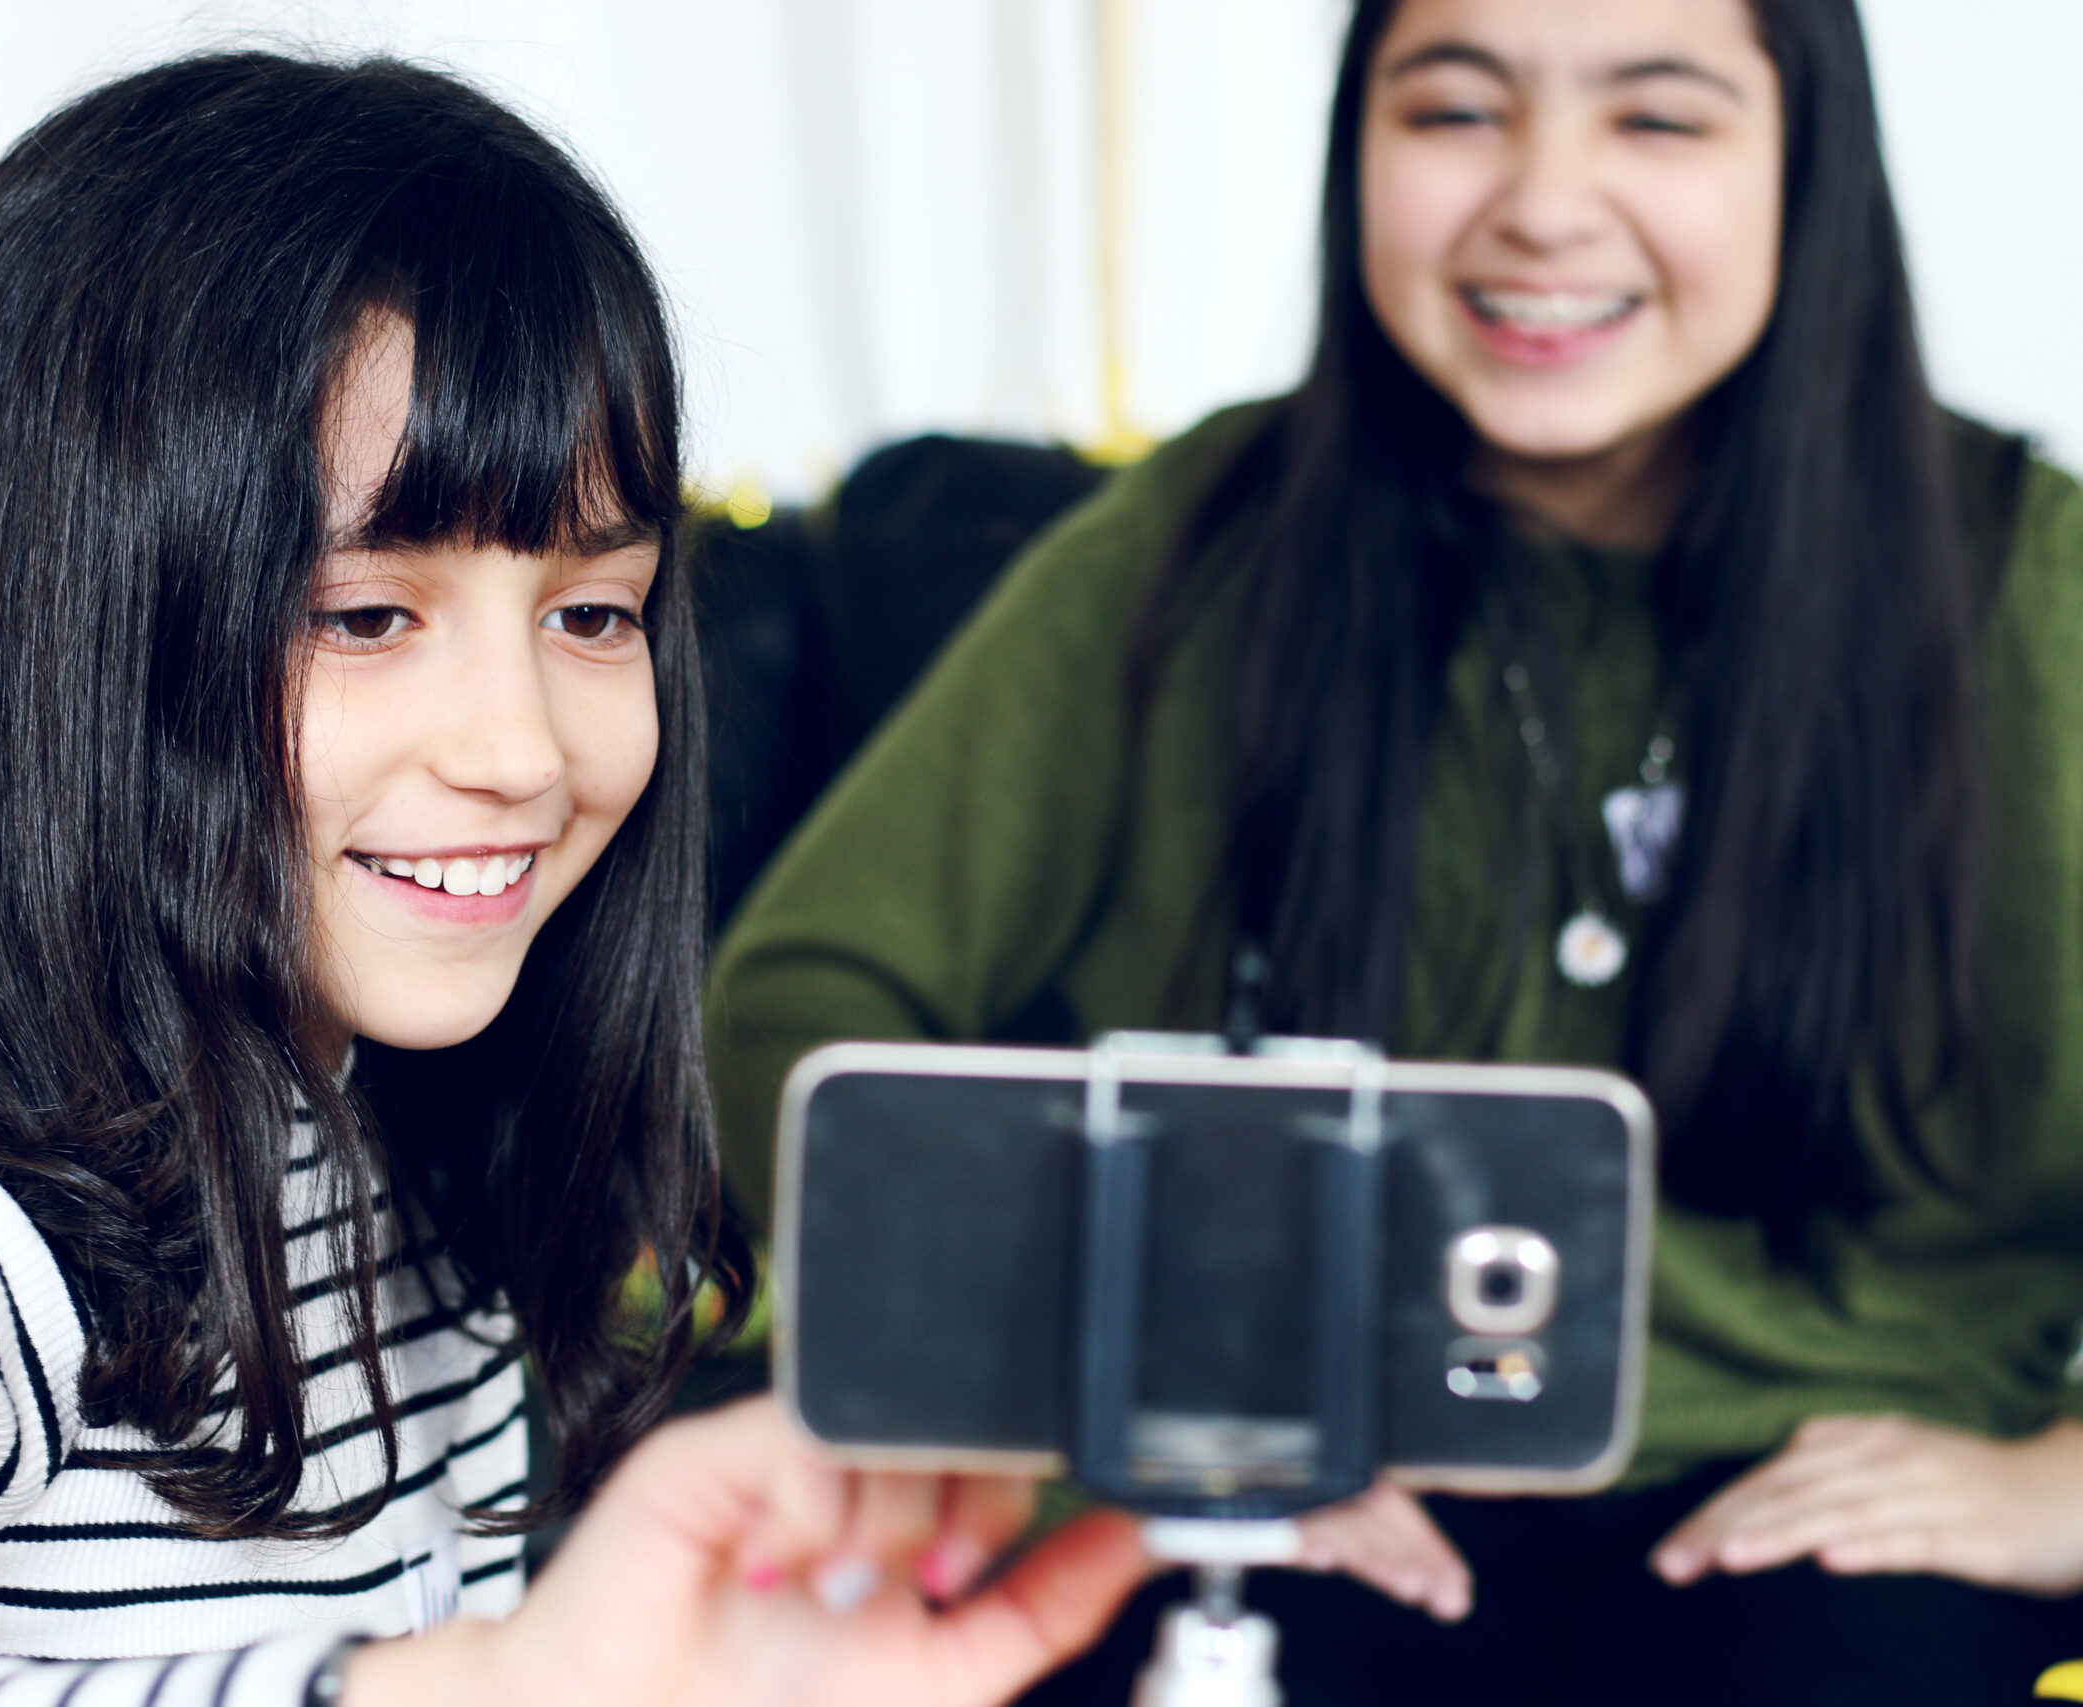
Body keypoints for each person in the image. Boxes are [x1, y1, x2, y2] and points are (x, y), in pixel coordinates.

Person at [0, 54, 1157, 1707]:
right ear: (63, 639)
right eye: (368, 616)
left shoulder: (410, 1198)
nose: (522, 748)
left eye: (591, 613)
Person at [704, 0, 2083, 1701]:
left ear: (1813, 169)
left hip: (1832, 1513)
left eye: (1658, 119)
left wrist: (2061, 1488)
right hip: (1297, 1489)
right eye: (1454, 111)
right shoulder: (1205, 537)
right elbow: (803, 1004)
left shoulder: (2033, 585)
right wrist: (1132, 1374)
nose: (1544, 205)